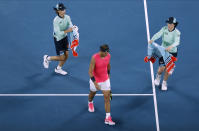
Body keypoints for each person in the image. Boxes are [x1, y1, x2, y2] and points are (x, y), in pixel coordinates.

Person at [149, 17, 181, 91]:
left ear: (174, 24)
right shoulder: (164, 29)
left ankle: (164, 82)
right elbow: (158, 34)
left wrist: (171, 46)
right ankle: (158, 77)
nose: (168, 24)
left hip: (172, 52)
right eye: (168, 23)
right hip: (163, 51)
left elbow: (177, 42)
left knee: (167, 70)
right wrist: (152, 39)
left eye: (170, 23)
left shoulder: (177, 33)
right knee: (161, 69)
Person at [88, 44, 115, 125]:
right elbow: (90, 71)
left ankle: (108, 117)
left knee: (107, 97)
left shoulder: (108, 55)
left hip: (105, 80)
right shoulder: (94, 57)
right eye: (106, 52)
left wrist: (109, 73)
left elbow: (108, 64)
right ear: (101, 52)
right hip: (95, 80)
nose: (107, 54)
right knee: (92, 93)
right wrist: (95, 83)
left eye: (108, 52)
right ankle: (90, 102)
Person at [43, 3, 73, 75]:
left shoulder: (67, 17)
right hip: (58, 39)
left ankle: (58, 69)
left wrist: (74, 28)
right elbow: (58, 33)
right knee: (62, 57)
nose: (64, 10)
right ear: (58, 11)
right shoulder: (55, 20)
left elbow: (70, 24)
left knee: (67, 55)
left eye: (64, 9)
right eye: (62, 9)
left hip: (65, 38)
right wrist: (68, 30)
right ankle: (47, 58)